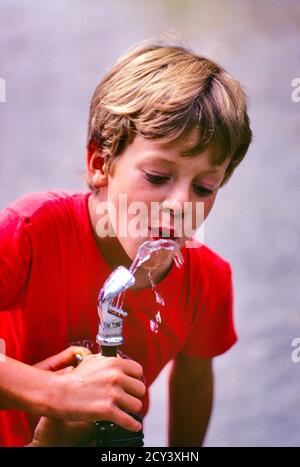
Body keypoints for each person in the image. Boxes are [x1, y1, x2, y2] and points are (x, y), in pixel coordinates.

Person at [0, 41, 252, 447]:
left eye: (205, 187)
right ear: (100, 165)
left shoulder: (208, 279)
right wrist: (58, 394)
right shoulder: (31, 231)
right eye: (157, 177)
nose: (181, 205)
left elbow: (192, 385)